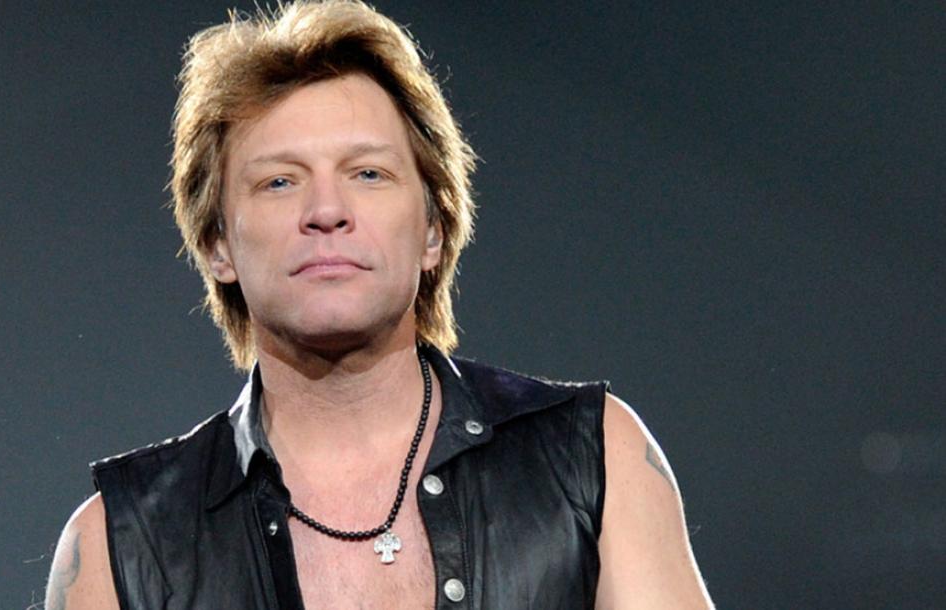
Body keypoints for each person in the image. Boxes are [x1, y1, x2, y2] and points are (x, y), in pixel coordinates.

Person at [45, 1, 714, 608]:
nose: (326, 211)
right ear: (218, 245)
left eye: (368, 173)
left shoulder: (592, 457)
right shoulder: (122, 545)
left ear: (433, 230)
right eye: (279, 182)